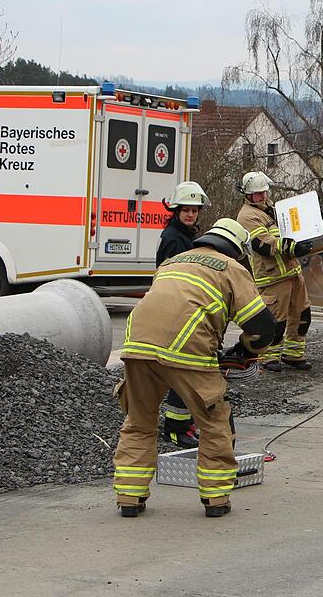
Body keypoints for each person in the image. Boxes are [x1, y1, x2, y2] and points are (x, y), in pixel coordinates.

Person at [113, 218, 277, 518]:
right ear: (237, 249)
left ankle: (129, 497)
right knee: (213, 422)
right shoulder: (231, 268)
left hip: (137, 343)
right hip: (185, 346)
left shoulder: (174, 261)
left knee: (139, 421)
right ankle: (215, 500)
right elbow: (263, 326)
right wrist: (245, 350)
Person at [236, 171, 316, 372]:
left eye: (264, 192)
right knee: (276, 321)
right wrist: (293, 248)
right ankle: (268, 356)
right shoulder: (247, 216)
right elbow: (263, 244)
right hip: (272, 277)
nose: (263, 197)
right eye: (258, 194)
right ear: (247, 195)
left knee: (302, 315)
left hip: (291, 271)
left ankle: (294, 355)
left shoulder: (271, 208)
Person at [155, 180, 211, 448]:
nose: (191, 214)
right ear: (176, 210)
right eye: (186, 210)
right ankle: (175, 431)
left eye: (195, 210)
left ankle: (185, 425)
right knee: (182, 373)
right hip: (177, 314)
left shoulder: (185, 236)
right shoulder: (174, 239)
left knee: (189, 373)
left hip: (184, 312)